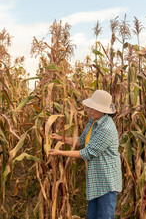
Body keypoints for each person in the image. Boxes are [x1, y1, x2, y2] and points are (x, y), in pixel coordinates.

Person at [49, 90, 122, 219]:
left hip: (106, 181)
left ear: (103, 110)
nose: (90, 111)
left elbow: (86, 153)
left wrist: (60, 152)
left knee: (105, 216)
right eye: (90, 108)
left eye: (94, 109)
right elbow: (81, 141)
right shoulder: (94, 121)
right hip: (96, 179)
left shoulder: (106, 129)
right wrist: (61, 138)